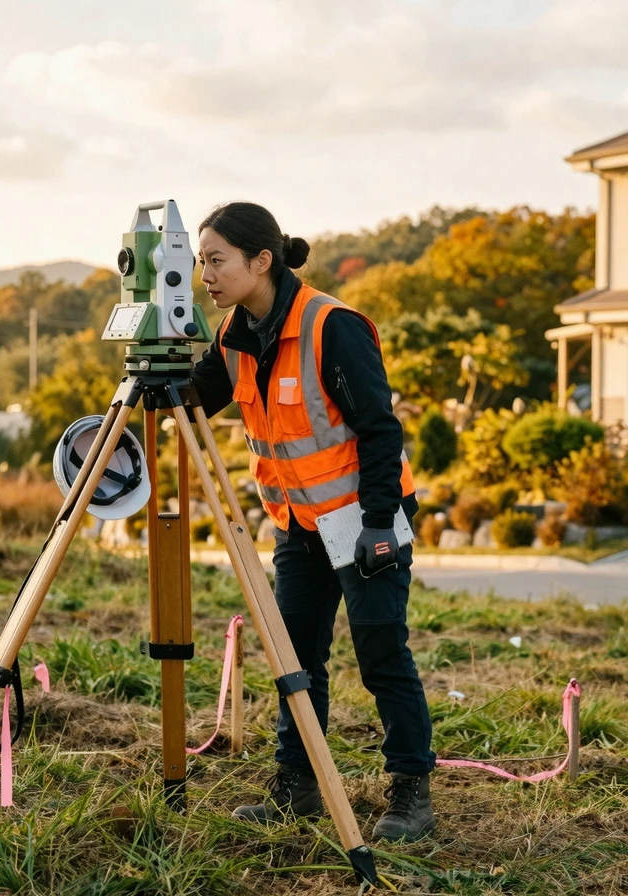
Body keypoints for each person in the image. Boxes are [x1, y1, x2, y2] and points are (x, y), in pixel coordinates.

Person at [189, 202, 436, 842]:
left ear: (261, 261)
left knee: (382, 654)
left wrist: (380, 522)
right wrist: (154, 363)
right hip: (297, 524)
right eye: (200, 261)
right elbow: (191, 400)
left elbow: (380, 431)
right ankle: (296, 785)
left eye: (216, 260)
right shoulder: (233, 334)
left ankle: (411, 793)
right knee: (295, 658)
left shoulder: (333, 327)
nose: (205, 275)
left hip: (364, 516)